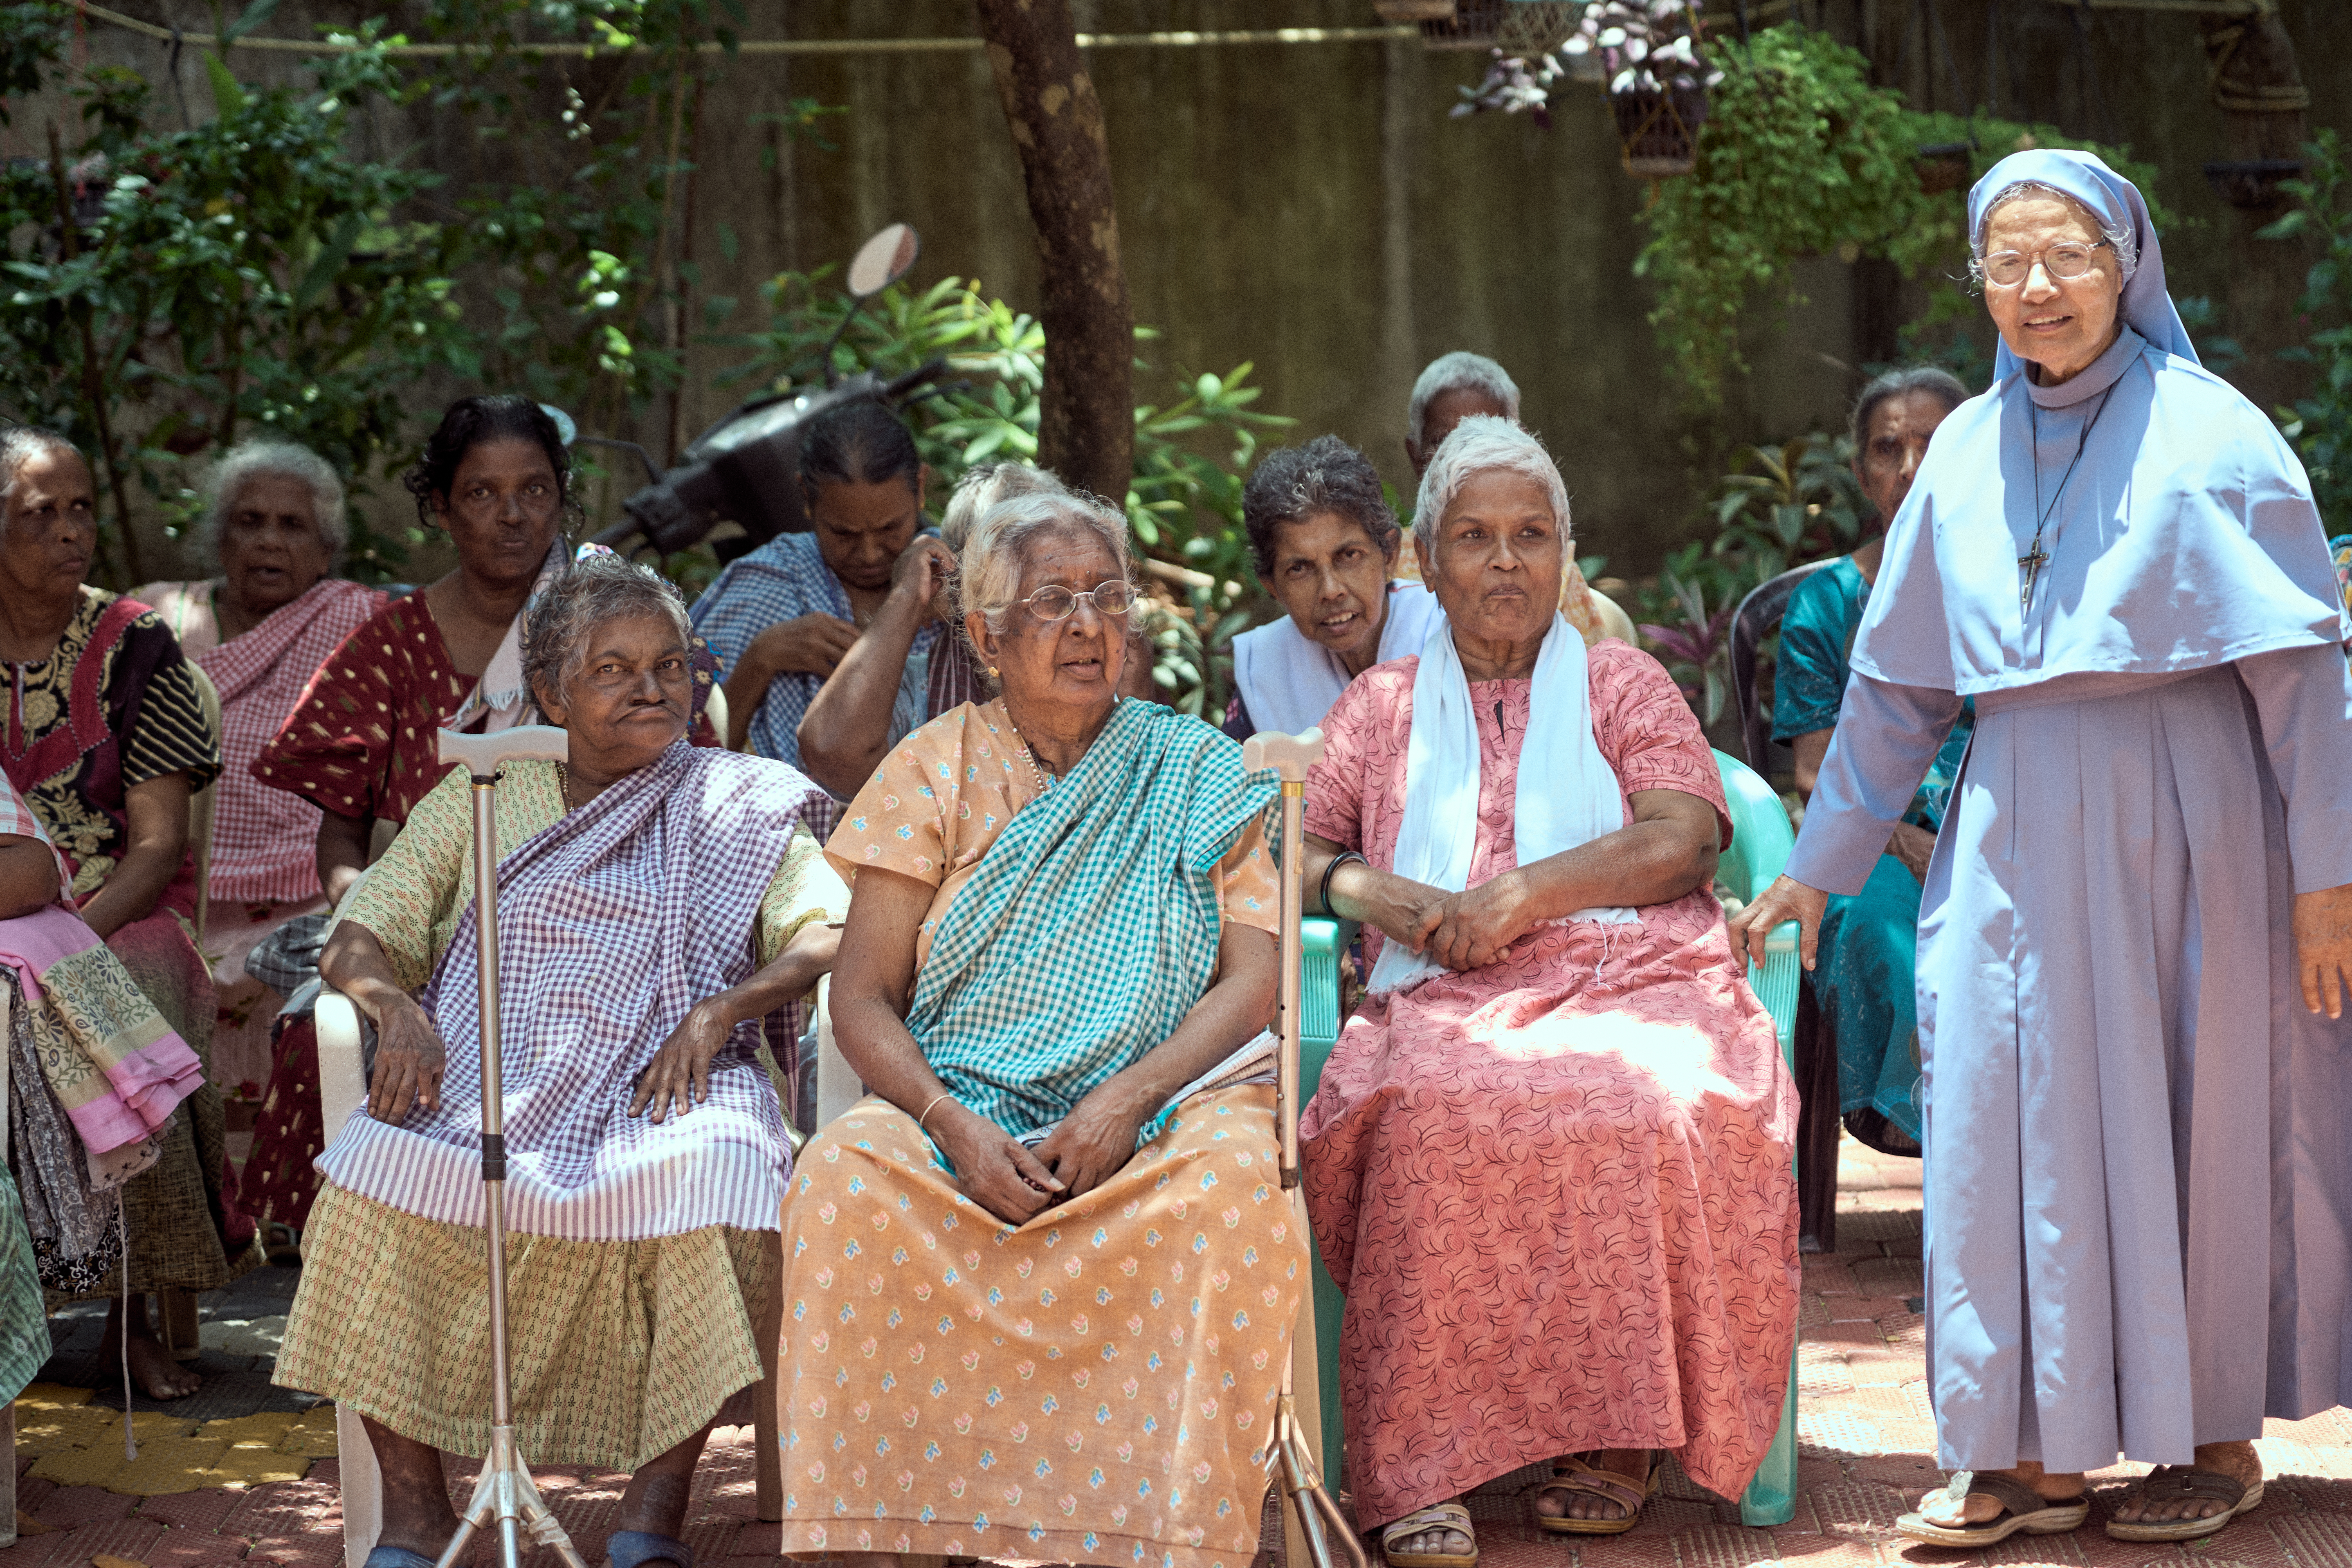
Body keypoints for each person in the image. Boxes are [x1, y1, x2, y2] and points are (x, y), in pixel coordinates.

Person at [1732, 150, 2352, 1548]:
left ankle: (2213, 1437)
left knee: (2193, 1112)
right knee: (2005, 1124)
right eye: (2006, 260)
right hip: (2009, 819)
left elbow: (2302, 679)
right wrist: (1819, 864)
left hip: (2191, 818)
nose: (2036, 286)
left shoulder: (2217, 434)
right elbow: (1894, 688)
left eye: (2066, 254)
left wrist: (2329, 880)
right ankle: (2033, 1452)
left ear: (2125, 264)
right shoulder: (1960, 450)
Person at [274, 554, 845, 1568]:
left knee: (720, 1170)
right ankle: (414, 1514)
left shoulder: (737, 798)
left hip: (670, 1079)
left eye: (669, 665)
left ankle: (651, 1516)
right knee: (367, 1185)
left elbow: (825, 930)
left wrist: (724, 1009)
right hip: (491, 1075)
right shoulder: (483, 796)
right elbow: (360, 934)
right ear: (548, 693)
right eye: (613, 669)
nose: (651, 688)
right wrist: (396, 1011)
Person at [1298, 416, 1798, 1564]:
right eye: (1473, 536)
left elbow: (1684, 835)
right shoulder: (1379, 707)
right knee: (1426, 1113)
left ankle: (1617, 1436)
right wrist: (1372, 893)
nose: (1504, 561)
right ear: (1427, 561)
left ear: (1564, 556)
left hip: (1635, 975)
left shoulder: (1620, 681)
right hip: (1443, 991)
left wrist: (1523, 895)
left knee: (1652, 1100)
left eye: (1531, 535)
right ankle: (1422, 1457)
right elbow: (1295, 847)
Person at [775, 487, 1301, 1568]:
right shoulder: (930, 767)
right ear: (985, 636)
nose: (1085, 625)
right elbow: (861, 995)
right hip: (961, 1112)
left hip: (1161, 1110)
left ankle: (1165, 1535)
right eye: (1052, 601)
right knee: (840, 1180)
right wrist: (949, 1123)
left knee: (1231, 1191)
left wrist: (1126, 1100)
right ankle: (895, 1537)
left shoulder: (1199, 768)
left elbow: (1253, 981)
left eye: (1106, 598)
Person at [241, 395, 581, 1244]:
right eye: (481, 493)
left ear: (563, 497)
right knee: (324, 1031)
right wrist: (376, 920)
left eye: (534, 490)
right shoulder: (390, 645)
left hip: (581, 928)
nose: (512, 515)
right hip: (420, 928)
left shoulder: (604, 635)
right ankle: (359, 1269)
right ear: (439, 507)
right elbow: (343, 832)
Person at [0, 426, 248, 1400]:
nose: (71, 532)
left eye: (81, 510)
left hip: (119, 906)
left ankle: (129, 1317)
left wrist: (72, 945)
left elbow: (157, 847)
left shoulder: (137, 642)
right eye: (40, 515)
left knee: (123, 992)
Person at [134, 441, 386, 1097]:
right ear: (220, 540)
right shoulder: (155, 618)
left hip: (307, 886)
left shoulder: (358, 622)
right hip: (170, 880)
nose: (269, 540)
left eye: (292, 525)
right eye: (250, 522)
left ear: (325, 552)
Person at [1770, 368, 1969, 1153]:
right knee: (1879, 925)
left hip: (2005, 831)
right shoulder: (1825, 605)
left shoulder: (2017, 585)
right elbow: (1817, 776)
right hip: (1874, 841)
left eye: (1934, 444)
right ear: (1860, 472)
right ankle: (1929, 1133)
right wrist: (1913, 844)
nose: (1911, 467)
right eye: (1889, 449)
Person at [691, 401, 944, 784]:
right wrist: (760, 660)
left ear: (921, 488)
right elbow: (685, 758)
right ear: (806, 498)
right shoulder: (767, 583)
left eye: (890, 528)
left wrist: (970, 612)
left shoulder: (962, 573)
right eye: (843, 533)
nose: (870, 554)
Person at [795, 459, 1069, 795]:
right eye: (1015, 582)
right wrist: (907, 596)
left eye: (1058, 589)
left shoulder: (1098, 669)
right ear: (965, 585)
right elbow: (830, 750)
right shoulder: (916, 692)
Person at [1400, 352, 1636, 645]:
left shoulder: (1554, 569)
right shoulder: (1385, 566)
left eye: (1529, 533)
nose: (1465, 455)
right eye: (1473, 535)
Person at [1223, 436, 1443, 737]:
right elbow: (1238, 767)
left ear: (1389, 555)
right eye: (1299, 569)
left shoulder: (1449, 636)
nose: (1330, 590)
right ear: (1272, 587)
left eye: (1349, 556)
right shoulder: (1263, 667)